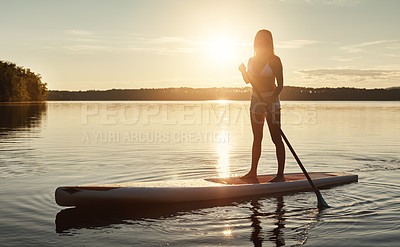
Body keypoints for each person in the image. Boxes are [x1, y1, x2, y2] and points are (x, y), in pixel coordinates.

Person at [238, 29, 285, 182]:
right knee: (257, 137)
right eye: (259, 38)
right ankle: (253, 172)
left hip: (271, 101)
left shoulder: (275, 60)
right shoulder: (252, 60)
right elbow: (248, 80)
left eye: (265, 39)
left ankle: (280, 175)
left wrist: (271, 98)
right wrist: (243, 71)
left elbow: (280, 85)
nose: (262, 41)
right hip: (256, 102)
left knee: (276, 138)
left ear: (270, 41)